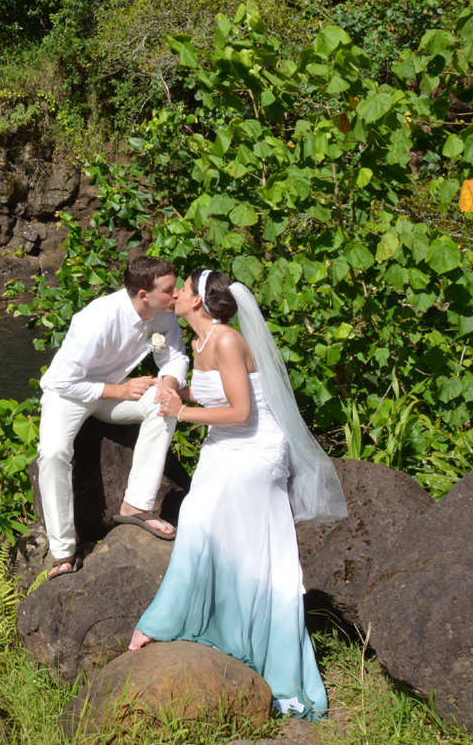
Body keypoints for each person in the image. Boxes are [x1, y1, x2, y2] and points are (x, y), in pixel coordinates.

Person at [129, 268, 348, 719]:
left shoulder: (226, 340)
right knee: (201, 518)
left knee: (204, 517)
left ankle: (163, 622)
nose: (178, 294)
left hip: (256, 448)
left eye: (185, 289)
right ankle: (225, 628)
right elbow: (215, 392)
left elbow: (244, 412)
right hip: (222, 448)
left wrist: (182, 411)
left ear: (198, 302)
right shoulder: (199, 342)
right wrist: (171, 388)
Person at [36, 255, 189, 578]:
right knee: (52, 454)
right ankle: (63, 552)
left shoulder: (162, 313)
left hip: (114, 393)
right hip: (69, 395)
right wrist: (119, 391)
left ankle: (137, 504)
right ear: (143, 295)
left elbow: (174, 356)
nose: (177, 295)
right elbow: (64, 380)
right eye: (170, 290)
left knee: (166, 404)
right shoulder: (97, 318)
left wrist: (168, 385)